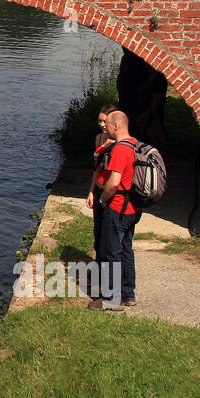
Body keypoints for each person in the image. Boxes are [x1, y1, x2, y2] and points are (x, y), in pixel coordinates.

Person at [90, 110, 139, 311]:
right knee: (126, 249)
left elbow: (113, 183)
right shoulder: (135, 144)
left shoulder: (119, 150)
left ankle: (111, 299)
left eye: (108, 124)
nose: (105, 128)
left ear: (117, 126)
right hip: (132, 208)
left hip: (117, 207)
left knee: (112, 253)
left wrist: (102, 199)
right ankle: (128, 294)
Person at [85, 103, 118, 263]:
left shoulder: (118, 142)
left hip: (110, 192)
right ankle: (98, 264)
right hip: (98, 189)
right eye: (100, 121)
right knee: (97, 230)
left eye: (105, 122)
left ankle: (107, 269)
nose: (103, 125)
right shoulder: (98, 138)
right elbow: (96, 169)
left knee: (108, 232)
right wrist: (91, 191)